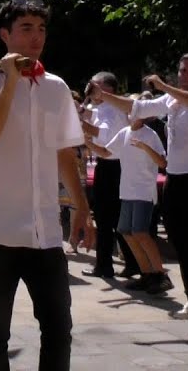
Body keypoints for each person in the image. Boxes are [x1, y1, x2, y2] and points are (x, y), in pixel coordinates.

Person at [0, 0, 94, 371]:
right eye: (25, 28)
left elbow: (63, 153)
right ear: (5, 35)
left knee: (58, 328)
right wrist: (10, 85)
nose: (36, 37)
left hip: (44, 230)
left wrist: (82, 208)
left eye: (41, 29)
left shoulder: (56, 87)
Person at [92, 53, 188, 331]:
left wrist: (164, 86)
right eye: (183, 70)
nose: (187, 75)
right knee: (179, 238)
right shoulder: (171, 99)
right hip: (175, 177)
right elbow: (137, 107)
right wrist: (103, 96)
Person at [86, 116, 170, 294]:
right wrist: (87, 142)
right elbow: (106, 152)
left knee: (140, 232)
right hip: (126, 192)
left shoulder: (151, 135)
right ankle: (147, 274)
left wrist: (144, 147)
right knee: (125, 231)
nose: (131, 114)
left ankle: (161, 275)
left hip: (143, 191)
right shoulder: (123, 133)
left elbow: (163, 162)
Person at [79, 72, 141, 279]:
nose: (90, 89)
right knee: (114, 217)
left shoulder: (111, 109)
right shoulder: (105, 107)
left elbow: (105, 136)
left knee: (106, 218)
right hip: (113, 165)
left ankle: (105, 266)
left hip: (112, 166)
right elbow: (91, 116)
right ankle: (130, 263)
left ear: (108, 89)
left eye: (95, 85)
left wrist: (82, 126)